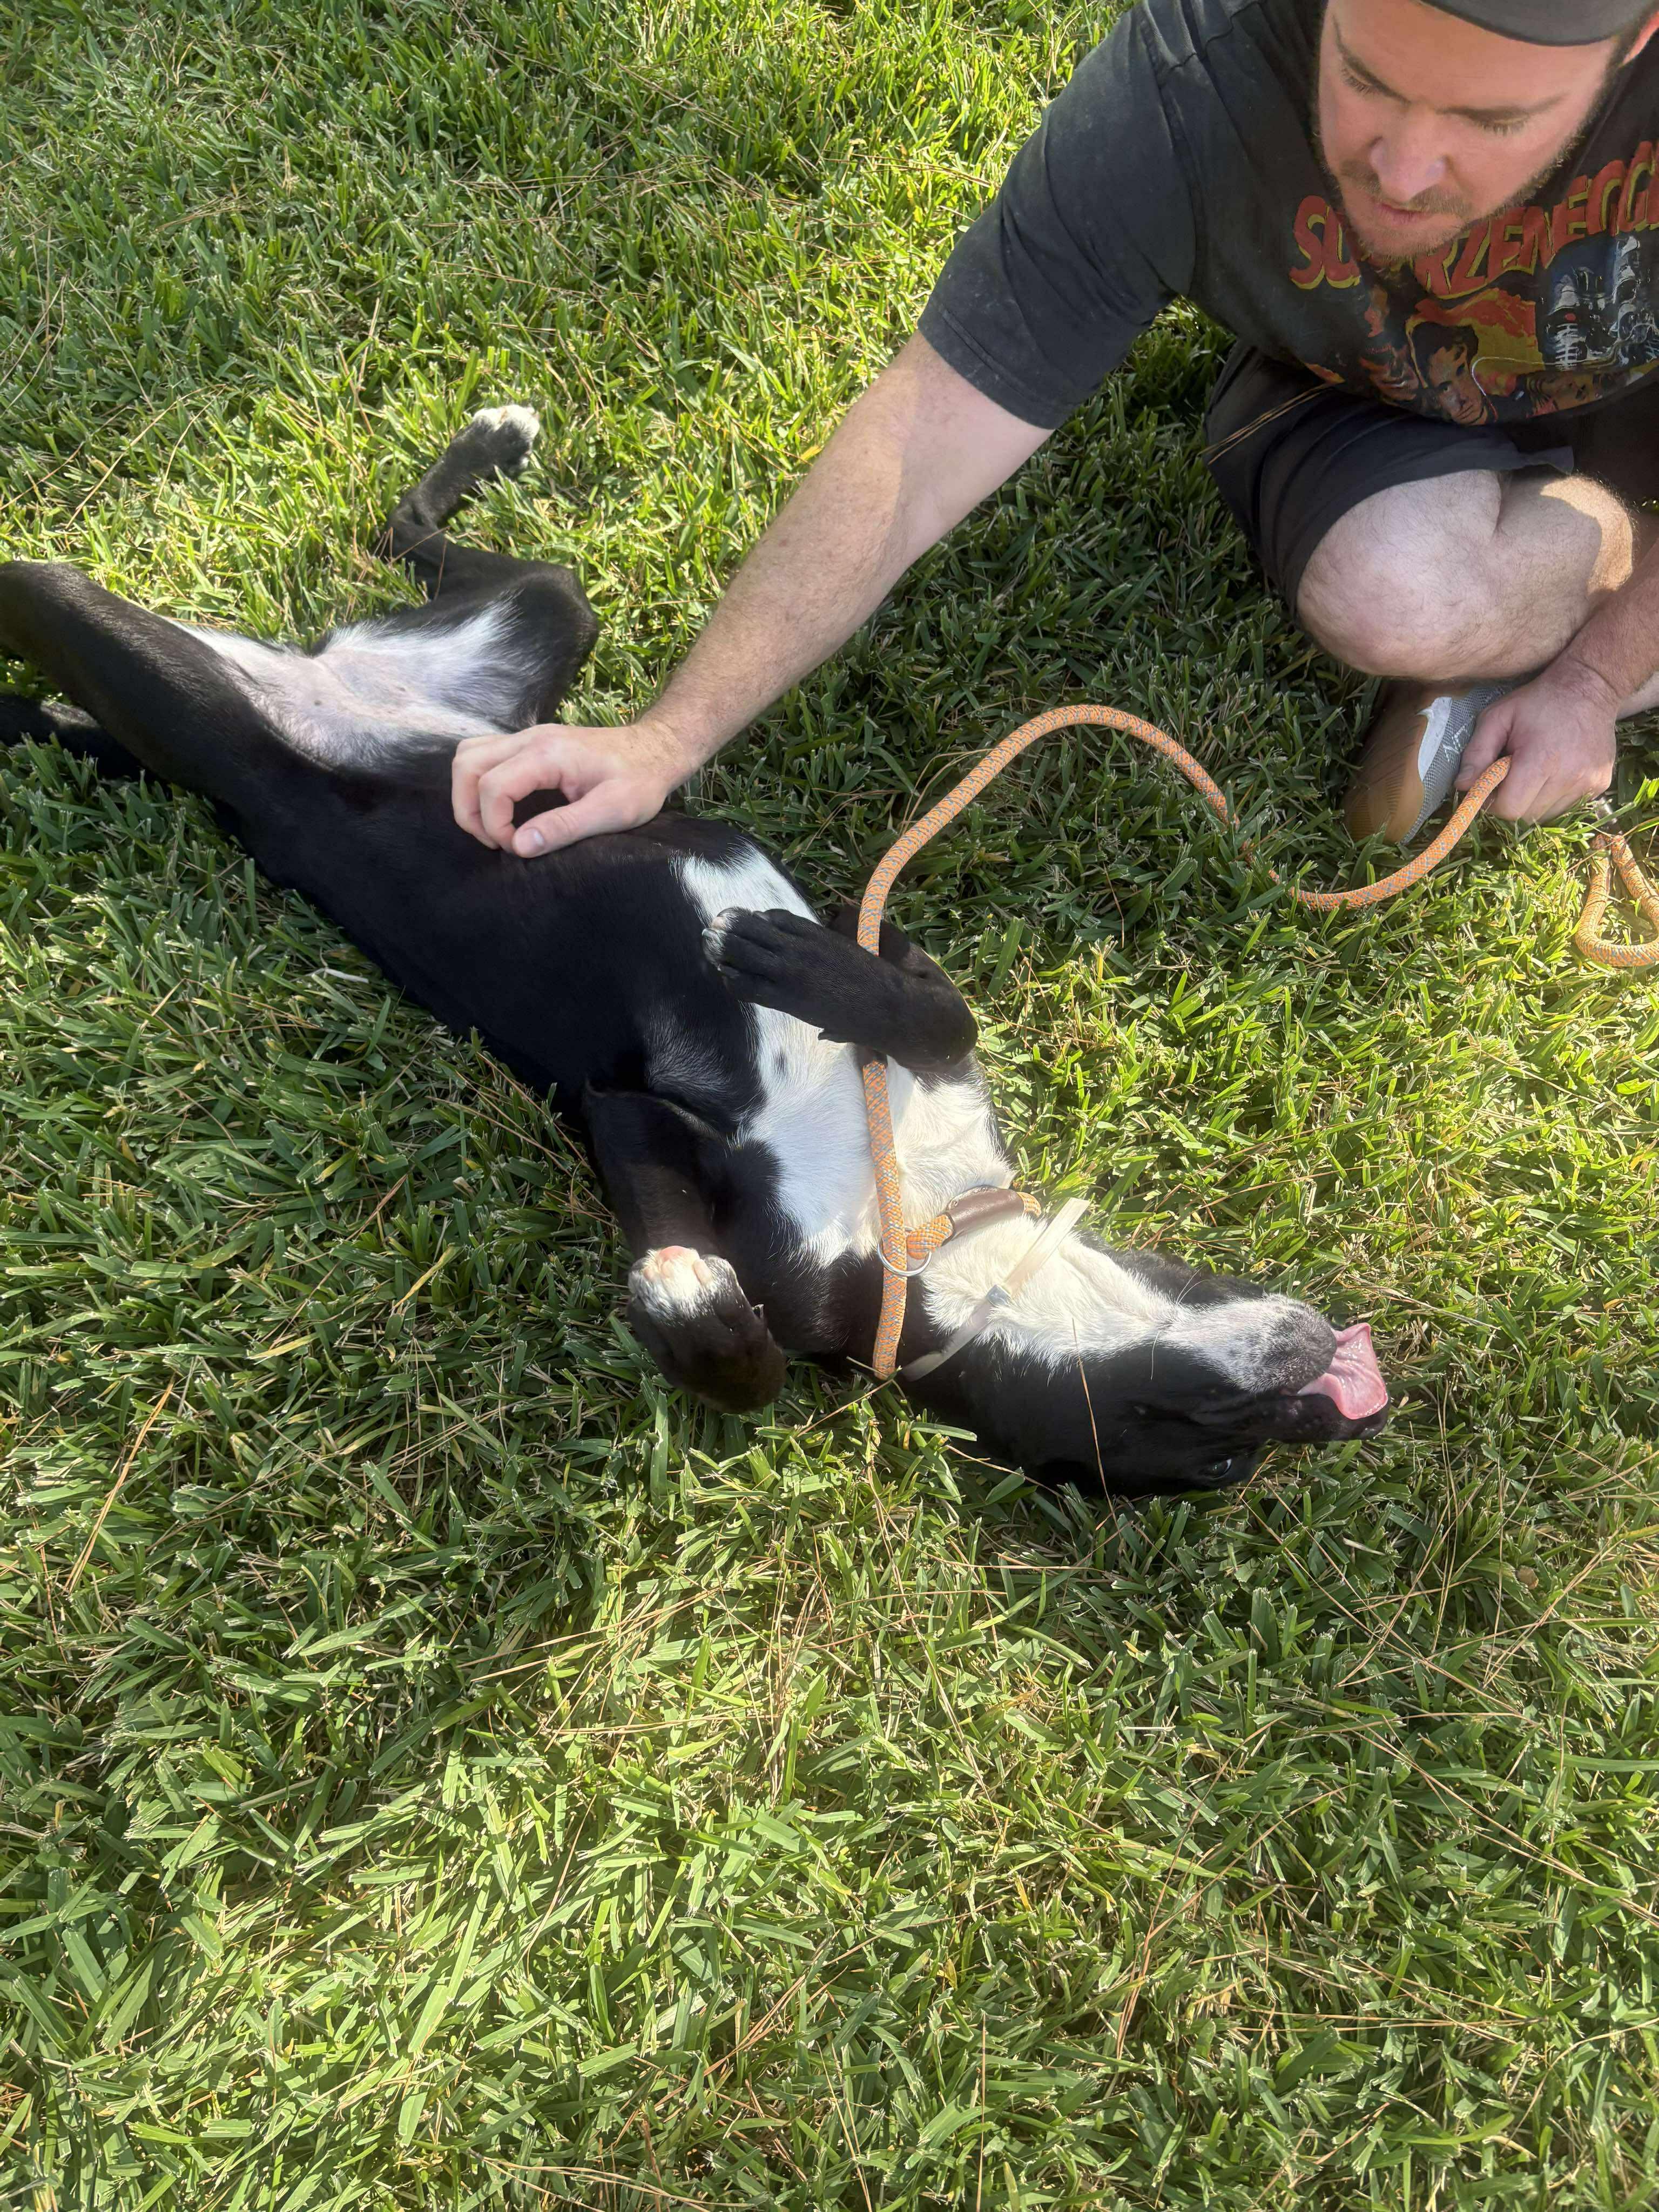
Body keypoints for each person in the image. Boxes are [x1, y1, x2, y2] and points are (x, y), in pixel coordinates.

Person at [454, 0, 1659, 861]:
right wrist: (666, 736)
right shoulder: (1195, 79)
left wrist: (1594, 678)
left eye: (1489, 121)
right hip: (1381, 402)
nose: (1402, 167)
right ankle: (1524, 629)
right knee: (1398, 595)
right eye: (1369, 78)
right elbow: (928, 430)